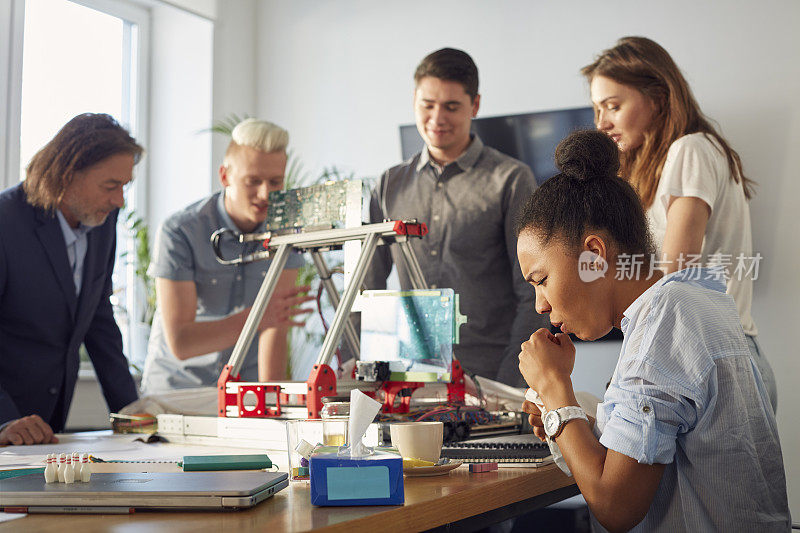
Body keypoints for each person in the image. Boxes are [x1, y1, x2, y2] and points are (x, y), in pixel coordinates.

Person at [516, 130, 789, 532]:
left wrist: (557, 392)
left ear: (593, 255)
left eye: (541, 279)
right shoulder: (692, 298)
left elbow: (616, 506)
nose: (540, 304)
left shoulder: (665, 323)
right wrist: (569, 422)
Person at [582, 36, 777, 411]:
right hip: (709, 357)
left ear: (657, 98)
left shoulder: (691, 149)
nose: (601, 122)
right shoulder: (669, 160)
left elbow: (673, 275)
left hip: (721, 361)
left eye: (613, 106)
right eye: (597, 109)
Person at [364, 48, 546, 385]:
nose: (437, 119)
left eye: (451, 106)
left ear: (475, 105)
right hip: (411, 378)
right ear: (414, 101)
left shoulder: (511, 179)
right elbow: (367, 286)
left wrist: (511, 380)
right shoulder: (389, 184)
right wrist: (365, 374)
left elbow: (532, 290)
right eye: (427, 105)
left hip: (490, 375)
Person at [140, 119, 312, 394]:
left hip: (245, 395)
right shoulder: (180, 231)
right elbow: (182, 343)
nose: (265, 193)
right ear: (224, 176)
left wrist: (271, 405)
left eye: (275, 181)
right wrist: (260, 317)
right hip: (178, 392)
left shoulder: (286, 230)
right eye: (252, 181)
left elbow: (275, 328)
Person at [0, 113, 142, 445]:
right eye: (110, 186)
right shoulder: (5, 223)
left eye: (124, 186)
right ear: (67, 176)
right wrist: (4, 419)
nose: (119, 200)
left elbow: (98, 320)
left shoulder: (102, 220)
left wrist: (132, 412)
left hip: (50, 425)